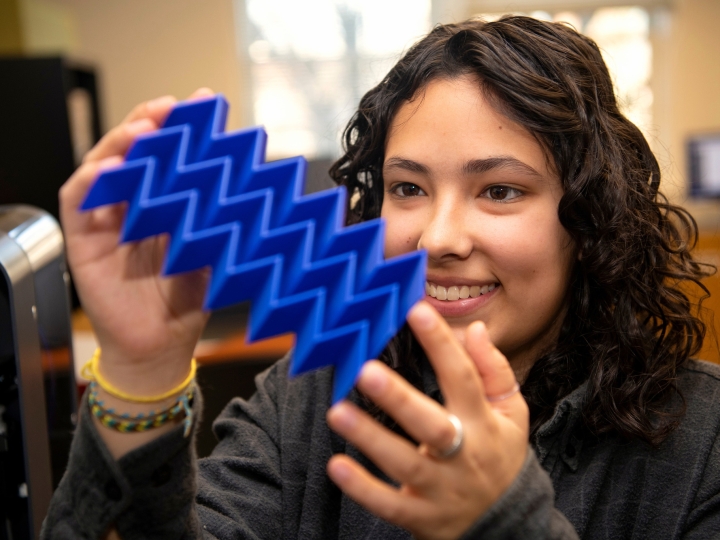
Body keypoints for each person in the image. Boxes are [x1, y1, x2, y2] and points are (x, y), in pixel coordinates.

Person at [42, 15, 719, 539]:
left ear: (590, 215)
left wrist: (505, 520)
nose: (438, 238)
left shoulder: (704, 441)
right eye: (408, 188)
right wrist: (140, 371)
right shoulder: (311, 400)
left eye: (501, 191)